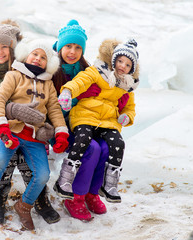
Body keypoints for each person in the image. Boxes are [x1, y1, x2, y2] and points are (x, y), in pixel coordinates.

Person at [0, 20, 60, 226]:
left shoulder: (28, 65)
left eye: (5, 47)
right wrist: (12, 110)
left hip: (30, 129)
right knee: (5, 158)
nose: (0, 52)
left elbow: (46, 103)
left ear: (15, 49)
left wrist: (50, 127)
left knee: (31, 161)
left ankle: (38, 200)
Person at [58, 38, 140, 210]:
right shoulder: (97, 71)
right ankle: (69, 187)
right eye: (120, 61)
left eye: (127, 65)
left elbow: (130, 108)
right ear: (113, 59)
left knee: (115, 145)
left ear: (132, 69)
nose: (122, 66)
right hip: (85, 117)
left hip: (107, 123)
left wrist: (126, 116)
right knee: (88, 144)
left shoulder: (127, 85)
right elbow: (79, 82)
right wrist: (68, 92)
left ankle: (99, 190)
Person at [50, 19, 109, 221]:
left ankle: (91, 195)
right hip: (58, 128)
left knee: (105, 146)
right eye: (68, 46)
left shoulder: (87, 71)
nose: (72, 52)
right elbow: (50, 107)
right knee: (91, 148)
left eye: (77, 47)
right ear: (59, 47)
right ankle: (74, 197)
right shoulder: (50, 71)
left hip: (83, 124)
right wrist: (79, 97)